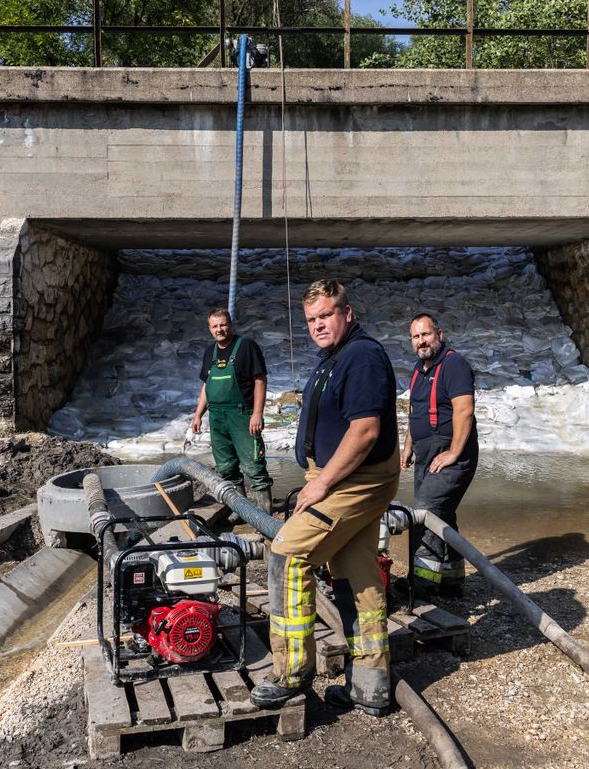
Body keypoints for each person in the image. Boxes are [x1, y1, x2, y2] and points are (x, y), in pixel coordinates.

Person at [250, 279, 400, 717]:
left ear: (347, 313)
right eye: (311, 319)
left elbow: (366, 430)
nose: (318, 325)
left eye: (326, 315)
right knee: (356, 574)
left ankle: (291, 672)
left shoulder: (362, 356)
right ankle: (370, 687)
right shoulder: (335, 357)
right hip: (344, 476)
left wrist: (320, 483)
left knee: (287, 553)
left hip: (355, 479)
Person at [399, 312, 478, 598]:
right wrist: (408, 445)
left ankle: (423, 582)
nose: (422, 341)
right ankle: (452, 579)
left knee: (425, 511)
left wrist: (454, 453)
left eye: (426, 335)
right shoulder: (419, 371)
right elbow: (415, 412)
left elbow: (464, 410)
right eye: (416, 337)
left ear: (439, 334)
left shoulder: (454, 365)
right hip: (425, 450)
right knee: (441, 512)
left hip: (451, 451)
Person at [191, 308, 273, 512]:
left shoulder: (246, 346)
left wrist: (257, 413)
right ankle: (240, 511)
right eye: (215, 326)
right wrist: (198, 414)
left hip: (242, 415)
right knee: (226, 467)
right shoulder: (210, 351)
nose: (219, 329)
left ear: (230, 325)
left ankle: (265, 514)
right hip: (217, 417)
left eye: (223, 325)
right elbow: (206, 385)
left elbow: (260, 380)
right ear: (210, 329)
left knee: (254, 465)